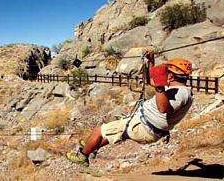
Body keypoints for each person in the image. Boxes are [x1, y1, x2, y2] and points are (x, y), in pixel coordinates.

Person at [66, 51, 194, 167]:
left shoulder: (181, 93)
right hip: (144, 126)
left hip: (142, 127)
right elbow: (150, 80)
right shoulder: (177, 90)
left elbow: (163, 108)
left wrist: (160, 87)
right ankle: (92, 147)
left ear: (170, 76)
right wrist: (150, 61)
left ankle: (82, 156)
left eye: (166, 74)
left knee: (98, 130)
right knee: (114, 131)